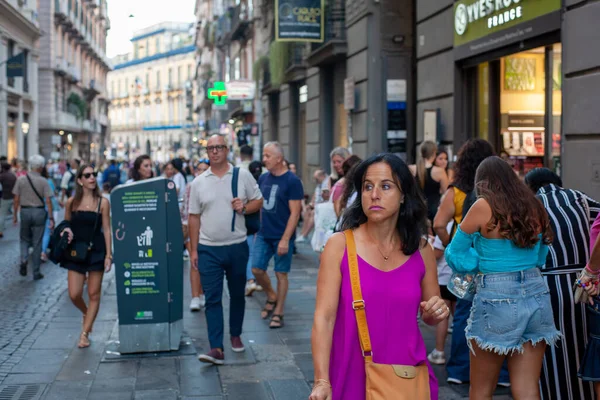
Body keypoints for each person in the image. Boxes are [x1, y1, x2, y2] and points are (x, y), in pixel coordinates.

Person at [309, 153, 448, 400]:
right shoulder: (339, 245)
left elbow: (430, 315)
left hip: (406, 377)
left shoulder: (422, 249)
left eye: (386, 186)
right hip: (351, 374)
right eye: (367, 187)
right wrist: (321, 380)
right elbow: (324, 317)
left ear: (404, 194)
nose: (374, 195)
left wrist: (436, 311)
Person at [445, 156, 560, 399]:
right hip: (537, 292)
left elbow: (454, 254)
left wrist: (479, 263)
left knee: (481, 389)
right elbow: (541, 256)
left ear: (482, 182)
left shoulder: (483, 206)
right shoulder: (534, 205)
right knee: (527, 387)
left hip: (496, 294)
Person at [432, 138, 505, 386]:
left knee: (463, 314)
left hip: (466, 266)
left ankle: (460, 370)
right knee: (499, 317)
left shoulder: (458, 192)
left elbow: (439, 224)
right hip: (496, 265)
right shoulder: (503, 193)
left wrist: (451, 242)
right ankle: (503, 373)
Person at [524, 167, 600, 400]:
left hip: (545, 287)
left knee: (551, 356)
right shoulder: (580, 198)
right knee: (587, 349)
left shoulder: (529, 207)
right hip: (585, 286)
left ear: (530, 188)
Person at [188, 135, 263, 365]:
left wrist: (244, 206)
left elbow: (258, 201)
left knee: (238, 294)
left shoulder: (242, 175)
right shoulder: (199, 182)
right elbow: (193, 217)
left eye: (218, 147)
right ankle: (216, 348)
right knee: (212, 299)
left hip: (237, 246)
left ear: (227, 149)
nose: (214, 152)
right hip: (208, 248)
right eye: (210, 148)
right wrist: (193, 250)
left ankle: (236, 334)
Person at [58, 165, 112, 348]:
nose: (92, 178)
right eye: (87, 175)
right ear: (80, 180)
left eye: (94, 174)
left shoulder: (103, 202)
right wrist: (65, 230)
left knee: (94, 294)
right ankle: (86, 312)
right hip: (76, 252)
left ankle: (84, 333)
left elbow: (107, 229)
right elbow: (66, 223)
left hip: (96, 251)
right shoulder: (71, 202)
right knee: (74, 294)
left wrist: (109, 255)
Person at [252, 142, 304, 329]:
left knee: (281, 273)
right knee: (256, 269)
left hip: (282, 236)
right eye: (264, 155)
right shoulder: (263, 178)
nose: (264, 159)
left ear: (279, 159)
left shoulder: (292, 181)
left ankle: (279, 311)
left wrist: (285, 239)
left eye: (267, 156)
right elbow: (258, 204)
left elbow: (295, 213)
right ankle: (271, 295)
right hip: (264, 234)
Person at [12, 155, 55, 280]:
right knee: (37, 242)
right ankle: (36, 271)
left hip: (25, 211)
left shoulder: (21, 180)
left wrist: (15, 215)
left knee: (24, 238)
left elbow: (16, 199)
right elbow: (48, 201)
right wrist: (51, 218)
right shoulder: (43, 181)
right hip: (39, 212)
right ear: (41, 167)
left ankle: (24, 259)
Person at [427, 221, 457, 365]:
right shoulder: (463, 223)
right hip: (459, 279)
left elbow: (437, 253)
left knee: (442, 317)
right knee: (458, 319)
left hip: (444, 278)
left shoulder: (448, 225)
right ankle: (459, 354)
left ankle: (439, 351)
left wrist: (427, 250)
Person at [183, 159, 208, 311]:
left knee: (206, 264)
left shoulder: (214, 186)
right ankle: (195, 296)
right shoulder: (190, 187)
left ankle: (203, 293)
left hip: (209, 230)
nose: (202, 172)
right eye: (199, 169)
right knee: (194, 262)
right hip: (192, 229)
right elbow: (186, 210)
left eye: (205, 169)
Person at [409, 141, 449, 227]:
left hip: (415, 210)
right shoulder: (439, 171)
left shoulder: (411, 169)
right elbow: (447, 193)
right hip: (433, 211)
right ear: (434, 153)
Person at [296, 170, 328, 243]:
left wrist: (315, 205)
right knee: (306, 212)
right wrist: (310, 204)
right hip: (317, 205)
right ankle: (302, 233)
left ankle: (305, 235)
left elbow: (326, 197)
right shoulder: (319, 183)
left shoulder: (326, 183)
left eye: (316, 178)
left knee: (313, 213)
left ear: (322, 176)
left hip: (322, 206)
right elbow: (315, 194)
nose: (315, 180)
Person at [41, 166, 61, 263]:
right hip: (48, 207)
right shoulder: (48, 181)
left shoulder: (33, 180)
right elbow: (52, 195)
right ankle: (43, 252)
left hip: (37, 208)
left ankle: (41, 250)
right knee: (47, 231)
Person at [0, 161, 17, 239]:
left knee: (2, 214)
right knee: (15, 211)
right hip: (14, 196)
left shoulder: (2, 176)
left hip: (5, 196)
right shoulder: (13, 176)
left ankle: (0, 230)